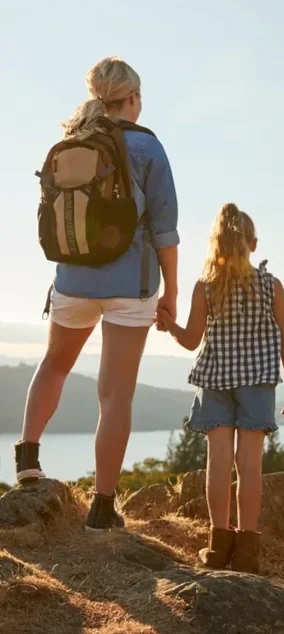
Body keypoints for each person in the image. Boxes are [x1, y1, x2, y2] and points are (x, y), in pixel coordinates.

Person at [14, 57, 179, 531]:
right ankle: (103, 508)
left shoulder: (72, 141)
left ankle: (27, 459)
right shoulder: (147, 147)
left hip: (72, 279)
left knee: (55, 364)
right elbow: (165, 230)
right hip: (131, 285)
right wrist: (170, 292)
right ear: (132, 99)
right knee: (116, 394)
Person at [157, 203, 284, 574]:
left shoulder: (206, 287)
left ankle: (218, 546)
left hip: (216, 378)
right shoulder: (272, 285)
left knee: (218, 464)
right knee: (249, 466)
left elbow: (190, 341)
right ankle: (248, 550)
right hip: (258, 382)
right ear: (253, 243)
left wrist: (169, 325)